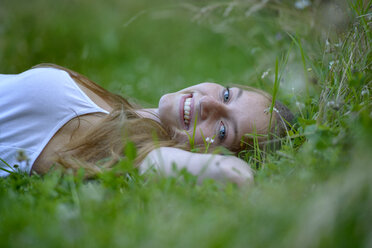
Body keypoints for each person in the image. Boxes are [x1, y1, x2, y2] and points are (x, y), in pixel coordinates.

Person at [0, 64, 293, 185]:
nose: (210, 104)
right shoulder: (120, 113)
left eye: (222, 130)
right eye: (227, 94)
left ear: (210, 153)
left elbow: (234, 174)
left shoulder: (129, 148)